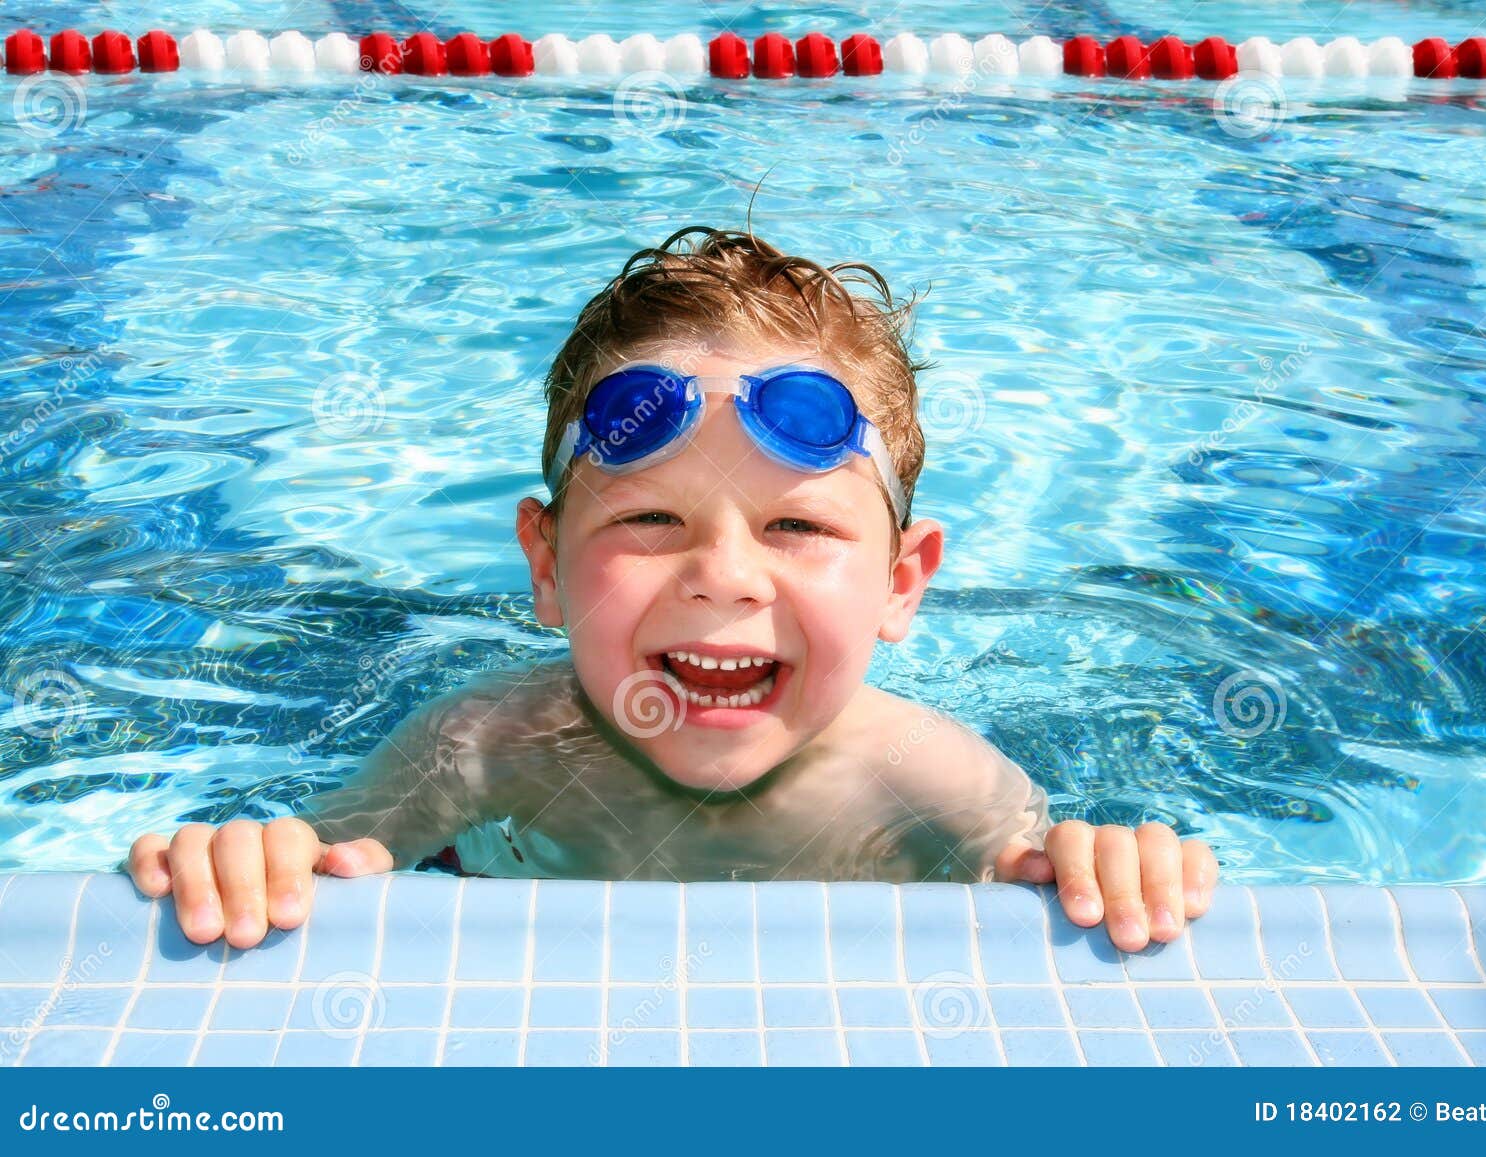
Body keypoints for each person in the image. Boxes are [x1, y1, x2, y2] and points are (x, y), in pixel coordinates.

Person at [126, 228, 1217, 953]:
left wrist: (1110, 864)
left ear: (899, 580)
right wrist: (252, 859)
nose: (724, 578)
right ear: (547, 564)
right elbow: (319, 864)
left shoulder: (930, 779)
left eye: (796, 524)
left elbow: (1051, 899)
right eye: (651, 520)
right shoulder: (484, 743)